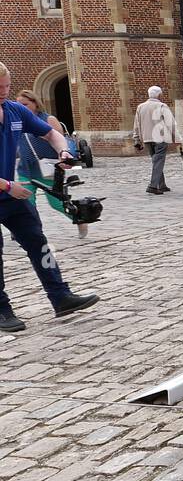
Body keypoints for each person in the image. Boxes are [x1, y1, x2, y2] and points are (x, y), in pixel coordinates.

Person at [0, 63, 98, 332]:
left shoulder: (14, 110)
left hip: (10, 195)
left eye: (6, 86)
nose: (4, 92)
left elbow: (51, 132)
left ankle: (60, 296)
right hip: (8, 188)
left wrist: (64, 150)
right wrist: (9, 186)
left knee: (38, 242)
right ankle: (2, 310)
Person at [14, 90, 87, 239]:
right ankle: (30, 231)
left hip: (48, 168)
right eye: (18, 104)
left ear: (35, 103)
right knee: (26, 202)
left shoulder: (47, 119)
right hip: (26, 168)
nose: (21, 107)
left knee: (57, 202)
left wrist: (63, 157)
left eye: (25, 104)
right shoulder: (17, 120)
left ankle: (79, 218)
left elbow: (61, 141)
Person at [132, 85, 179, 195]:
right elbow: (171, 124)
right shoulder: (162, 106)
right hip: (160, 138)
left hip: (147, 139)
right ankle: (153, 186)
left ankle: (161, 185)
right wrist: (177, 138)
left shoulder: (140, 107)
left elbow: (136, 124)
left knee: (156, 161)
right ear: (159, 95)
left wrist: (137, 139)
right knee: (158, 161)